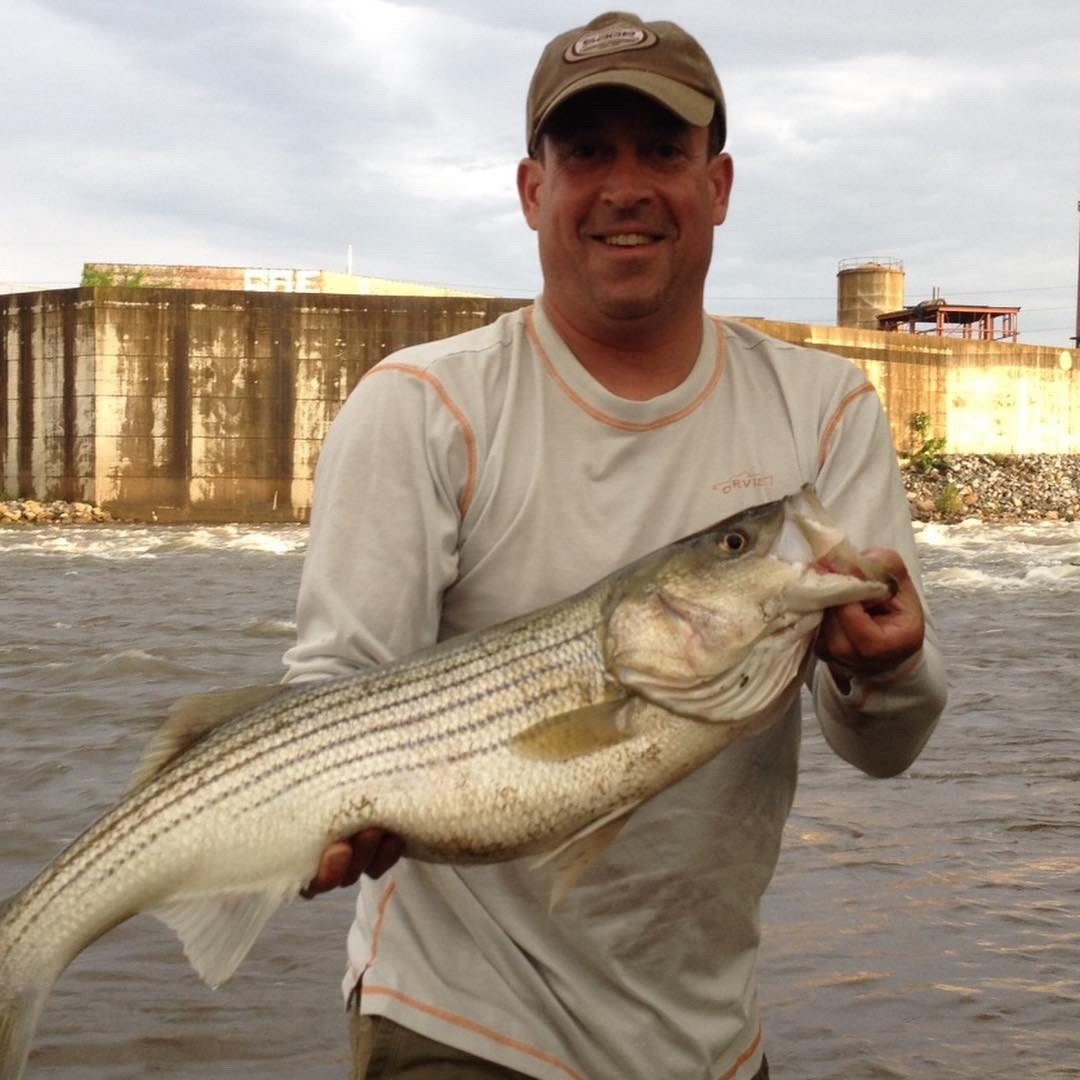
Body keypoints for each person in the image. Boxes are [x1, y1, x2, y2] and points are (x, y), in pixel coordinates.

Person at [283, 11, 947, 1079]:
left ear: (719, 186)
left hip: (714, 1040)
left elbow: (883, 749)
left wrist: (894, 668)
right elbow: (335, 688)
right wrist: (315, 822)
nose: (626, 187)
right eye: (587, 151)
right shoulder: (422, 407)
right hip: (459, 1026)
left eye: (663, 150)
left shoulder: (824, 417)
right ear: (532, 190)